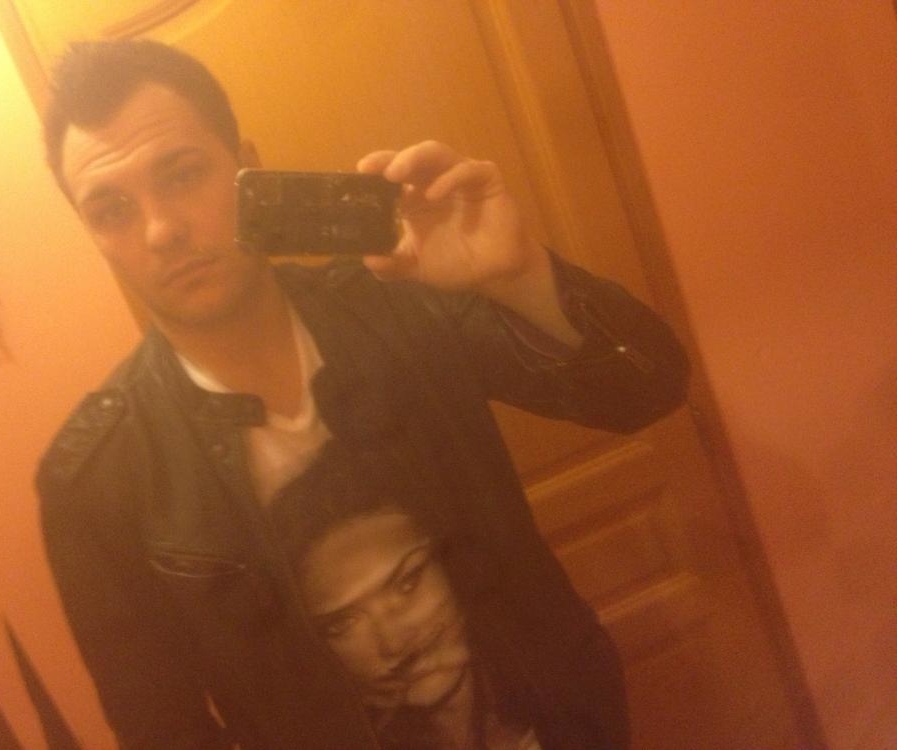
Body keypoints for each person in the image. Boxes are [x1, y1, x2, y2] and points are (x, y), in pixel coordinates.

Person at [36, 38, 688, 750]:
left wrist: (521, 275)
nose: (161, 230)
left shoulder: (400, 301)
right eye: (111, 210)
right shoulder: (95, 479)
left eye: (184, 174)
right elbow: (161, 731)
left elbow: (646, 390)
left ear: (248, 166)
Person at [270, 440, 543, 749]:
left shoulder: (567, 690)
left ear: (457, 565)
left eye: (407, 583)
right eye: (342, 623)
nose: (393, 643)